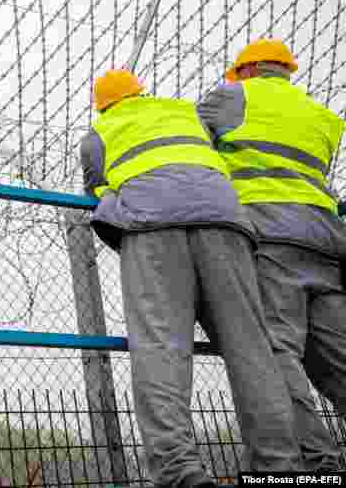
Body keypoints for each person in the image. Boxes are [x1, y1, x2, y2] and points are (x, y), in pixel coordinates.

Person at [80, 69, 300, 488]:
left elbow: (95, 188)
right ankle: (278, 471)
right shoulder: (186, 113)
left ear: (103, 104)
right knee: (251, 349)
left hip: (152, 227)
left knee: (161, 347)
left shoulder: (100, 131)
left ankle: (180, 473)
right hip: (225, 222)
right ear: (141, 93)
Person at [197, 38, 346, 473]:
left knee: (273, 352)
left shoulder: (232, 96)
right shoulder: (322, 117)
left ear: (246, 71)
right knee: (337, 356)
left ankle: (317, 465)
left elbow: (190, 147)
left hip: (269, 236)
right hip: (324, 238)